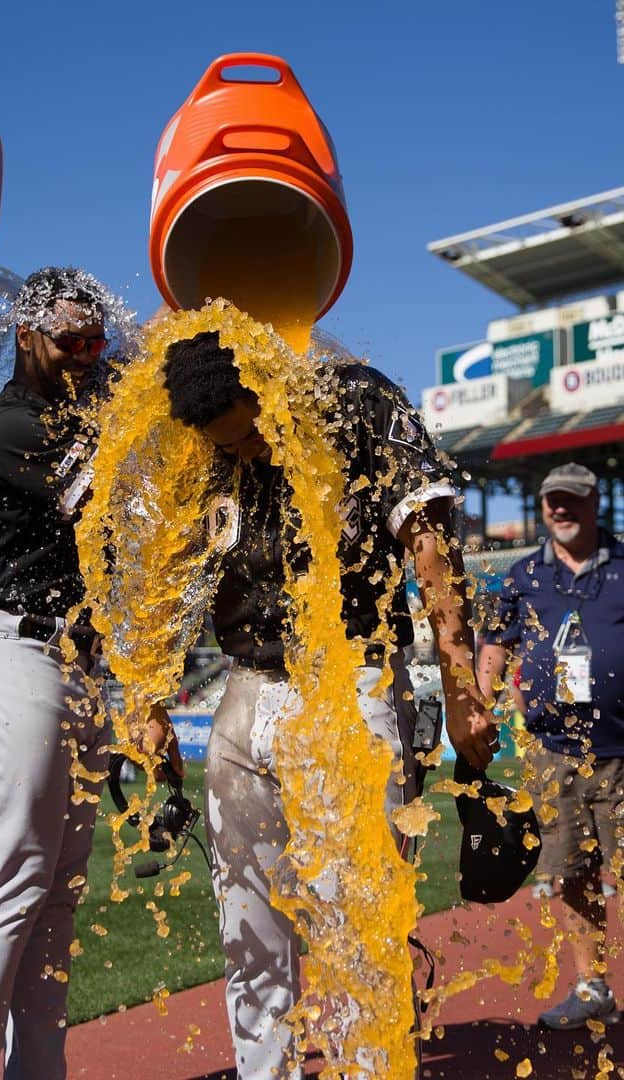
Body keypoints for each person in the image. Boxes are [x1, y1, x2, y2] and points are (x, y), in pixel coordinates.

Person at [160, 330, 498, 1078]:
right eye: (227, 444)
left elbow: (433, 547)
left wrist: (463, 685)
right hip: (245, 688)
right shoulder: (199, 438)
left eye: (250, 432)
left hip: (349, 675)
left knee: (358, 934)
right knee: (248, 937)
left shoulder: (354, 397)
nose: (243, 452)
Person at [0, 267, 152, 1080]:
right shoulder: (10, 423)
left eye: (98, 339)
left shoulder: (75, 405)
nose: (88, 354)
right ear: (25, 334)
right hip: (14, 653)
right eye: (70, 339)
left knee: (58, 896)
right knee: (12, 883)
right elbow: (107, 492)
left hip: (80, 661)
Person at [478, 462, 623, 1030]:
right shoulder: (522, 575)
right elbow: (493, 643)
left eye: (572, 500)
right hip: (553, 753)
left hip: (621, 751)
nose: (560, 509)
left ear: (593, 505)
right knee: (574, 874)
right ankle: (592, 986)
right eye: (551, 501)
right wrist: (479, 703)